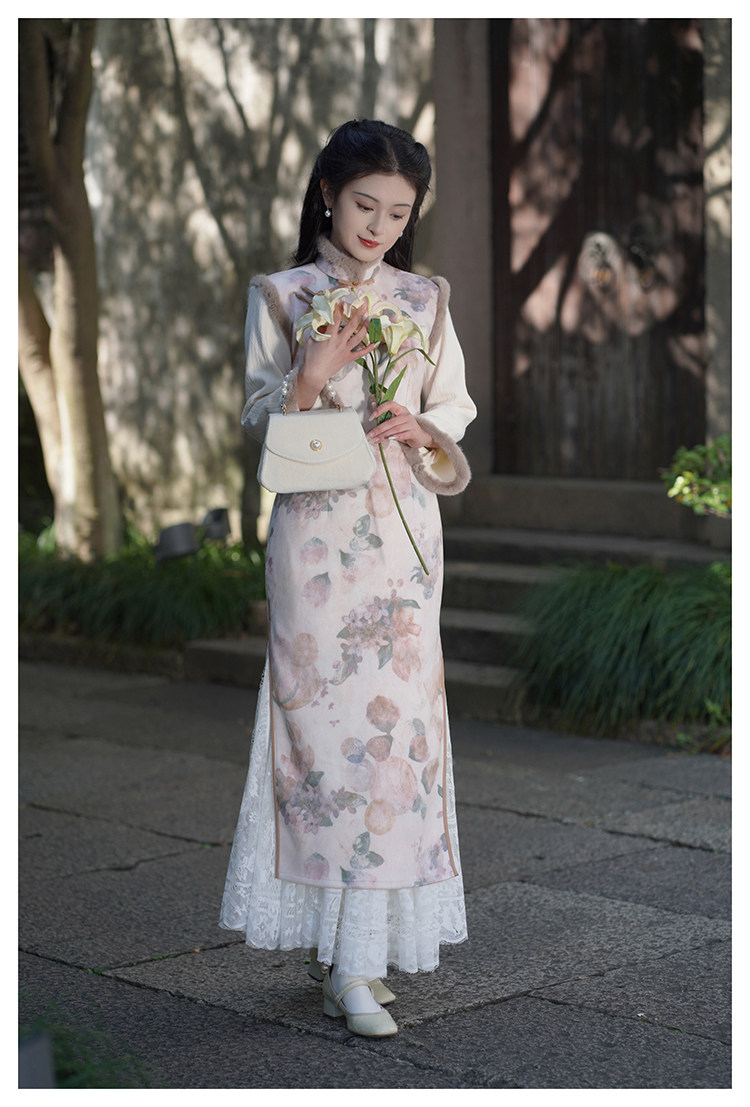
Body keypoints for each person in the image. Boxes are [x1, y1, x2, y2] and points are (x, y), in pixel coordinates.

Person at [220, 119, 476, 1038]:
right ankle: (342, 959)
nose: (378, 226)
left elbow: (453, 405)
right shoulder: (283, 294)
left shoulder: (425, 298)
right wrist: (309, 374)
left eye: (398, 213)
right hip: (316, 548)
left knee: (398, 740)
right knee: (322, 740)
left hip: (403, 545)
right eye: (365, 204)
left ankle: (358, 959)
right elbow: (259, 416)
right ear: (327, 192)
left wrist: (424, 428)